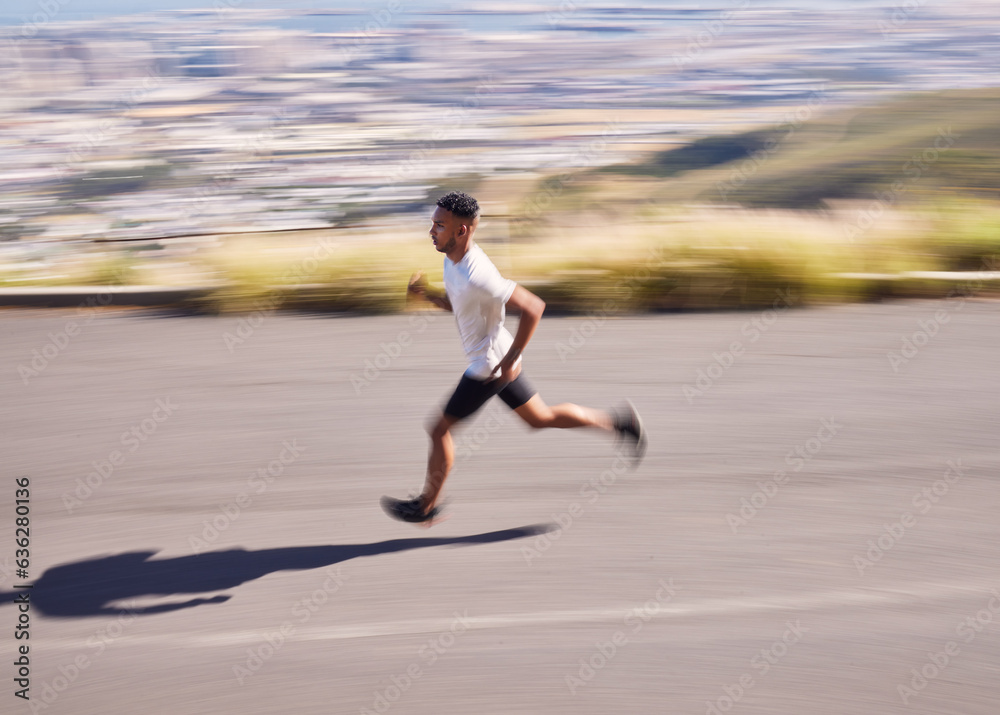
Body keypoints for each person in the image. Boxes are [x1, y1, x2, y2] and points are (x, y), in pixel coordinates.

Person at [380, 191, 645, 525]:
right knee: (540, 418)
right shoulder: (452, 259)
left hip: (488, 367)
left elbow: (534, 307)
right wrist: (428, 295)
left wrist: (509, 359)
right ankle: (620, 423)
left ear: (461, 231)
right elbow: (460, 304)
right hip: (498, 356)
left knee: (438, 430)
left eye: (439, 225)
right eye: (432, 223)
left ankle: (425, 508)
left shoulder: (479, 273)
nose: (431, 231)